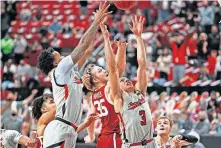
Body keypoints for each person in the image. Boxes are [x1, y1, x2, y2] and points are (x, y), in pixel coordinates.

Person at [36, 2, 111, 148]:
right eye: (56, 53)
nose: (60, 53)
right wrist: (95, 21)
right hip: (61, 128)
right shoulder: (60, 70)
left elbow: (87, 50)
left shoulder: (69, 70)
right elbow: (82, 44)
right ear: (53, 61)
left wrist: (99, 26)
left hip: (71, 128)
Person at [81, 28, 128, 148]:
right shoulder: (108, 88)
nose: (104, 71)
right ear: (96, 80)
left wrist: (91, 136)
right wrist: (107, 38)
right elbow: (116, 68)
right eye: (100, 71)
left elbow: (91, 118)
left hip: (103, 139)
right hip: (115, 137)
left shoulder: (93, 97)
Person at [114, 16, 156, 147]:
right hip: (133, 145)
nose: (126, 80)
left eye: (127, 79)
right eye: (122, 80)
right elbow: (114, 71)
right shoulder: (119, 97)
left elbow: (142, 64)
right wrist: (120, 51)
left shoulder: (140, 92)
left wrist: (138, 37)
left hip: (150, 143)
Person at [32, 94, 99, 147]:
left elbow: (72, 131)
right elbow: (59, 108)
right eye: (52, 102)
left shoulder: (58, 123)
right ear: (43, 109)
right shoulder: (42, 120)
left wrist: (86, 124)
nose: (56, 103)